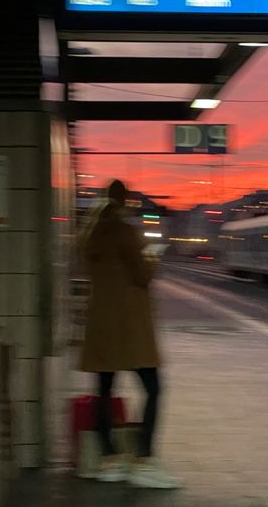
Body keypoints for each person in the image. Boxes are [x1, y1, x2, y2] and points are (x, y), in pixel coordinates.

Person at [79, 180, 181, 489]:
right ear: (125, 202)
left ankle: (109, 459)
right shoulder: (126, 232)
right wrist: (152, 256)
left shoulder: (89, 234)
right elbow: (141, 275)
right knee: (154, 389)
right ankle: (144, 460)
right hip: (129, 323)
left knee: (104, 389)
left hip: (101, 321)